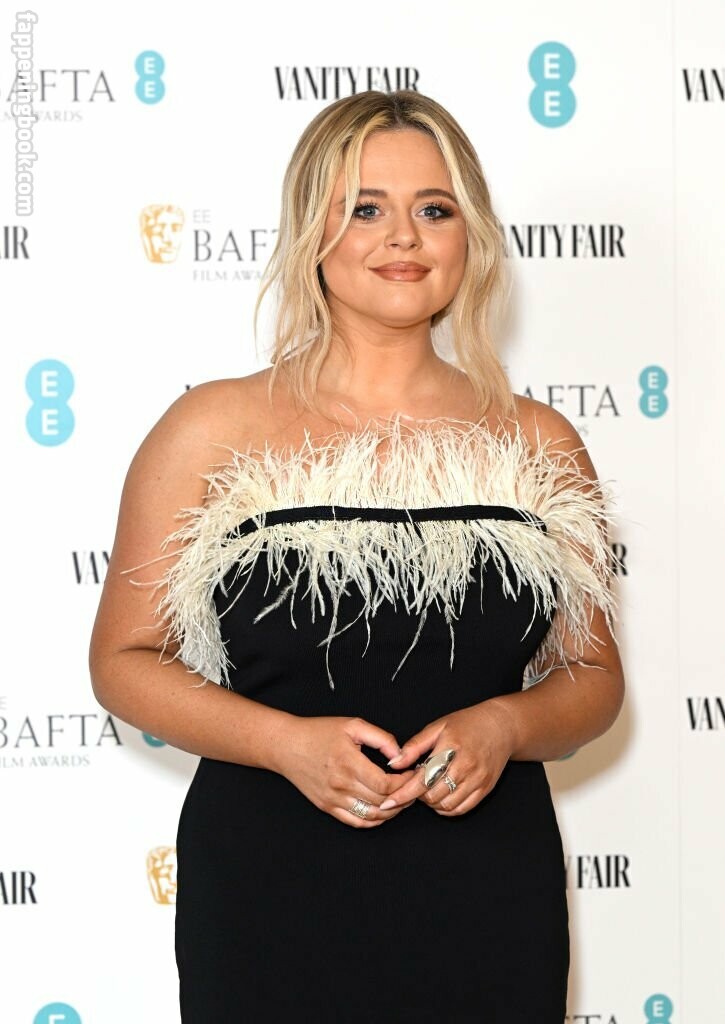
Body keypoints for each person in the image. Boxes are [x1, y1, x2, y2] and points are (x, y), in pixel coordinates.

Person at [89, 89, 624, 1022]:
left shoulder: (537, 441)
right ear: (313, 231)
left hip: (488, 894)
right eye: (365, 208)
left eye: (434, 209)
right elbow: (123, 661)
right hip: (266, 889)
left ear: (470, 234)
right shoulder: (212, 428)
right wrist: (284, 744)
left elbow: (592, 679)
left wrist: (504, 725)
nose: (402, 237)